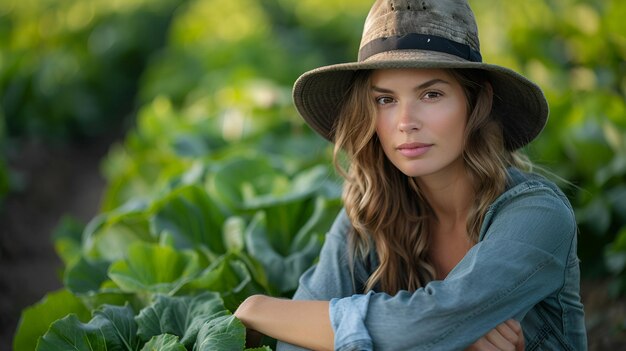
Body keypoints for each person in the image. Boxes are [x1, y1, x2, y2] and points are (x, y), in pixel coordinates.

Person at [234, 0, 587, 350]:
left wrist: (259, 309)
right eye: (385, 100)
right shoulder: (368, 214)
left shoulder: (538, 214)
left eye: (431, 94)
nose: (405, 123)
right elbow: (297, 347)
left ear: (477, 101)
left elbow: (430, 322)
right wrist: (448, 338)